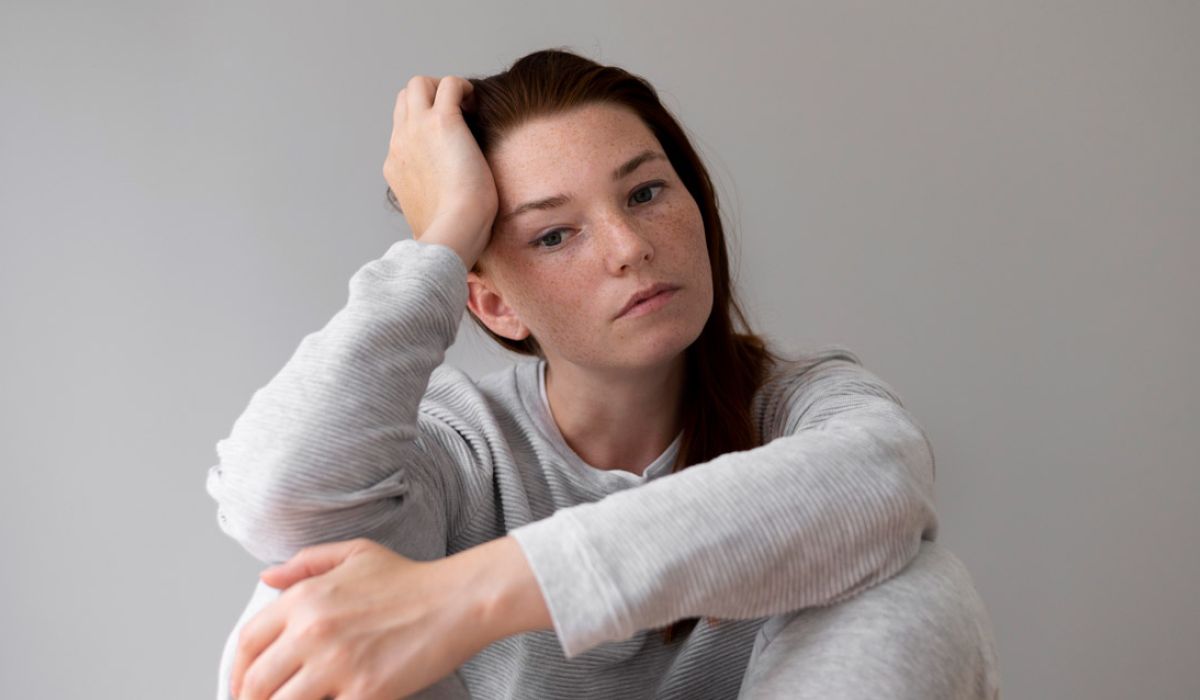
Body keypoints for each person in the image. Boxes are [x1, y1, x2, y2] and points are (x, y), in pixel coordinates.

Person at [206, 48, 1001, 699]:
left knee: (916, 584)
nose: (629, 245)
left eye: (647, 191)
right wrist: (442, 242)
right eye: (554, 235)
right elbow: (279, 499)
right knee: (301, 604)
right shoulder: (457, 452)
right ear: (492, 304)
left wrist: (465, 597)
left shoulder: (803, 407)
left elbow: (878, 479)